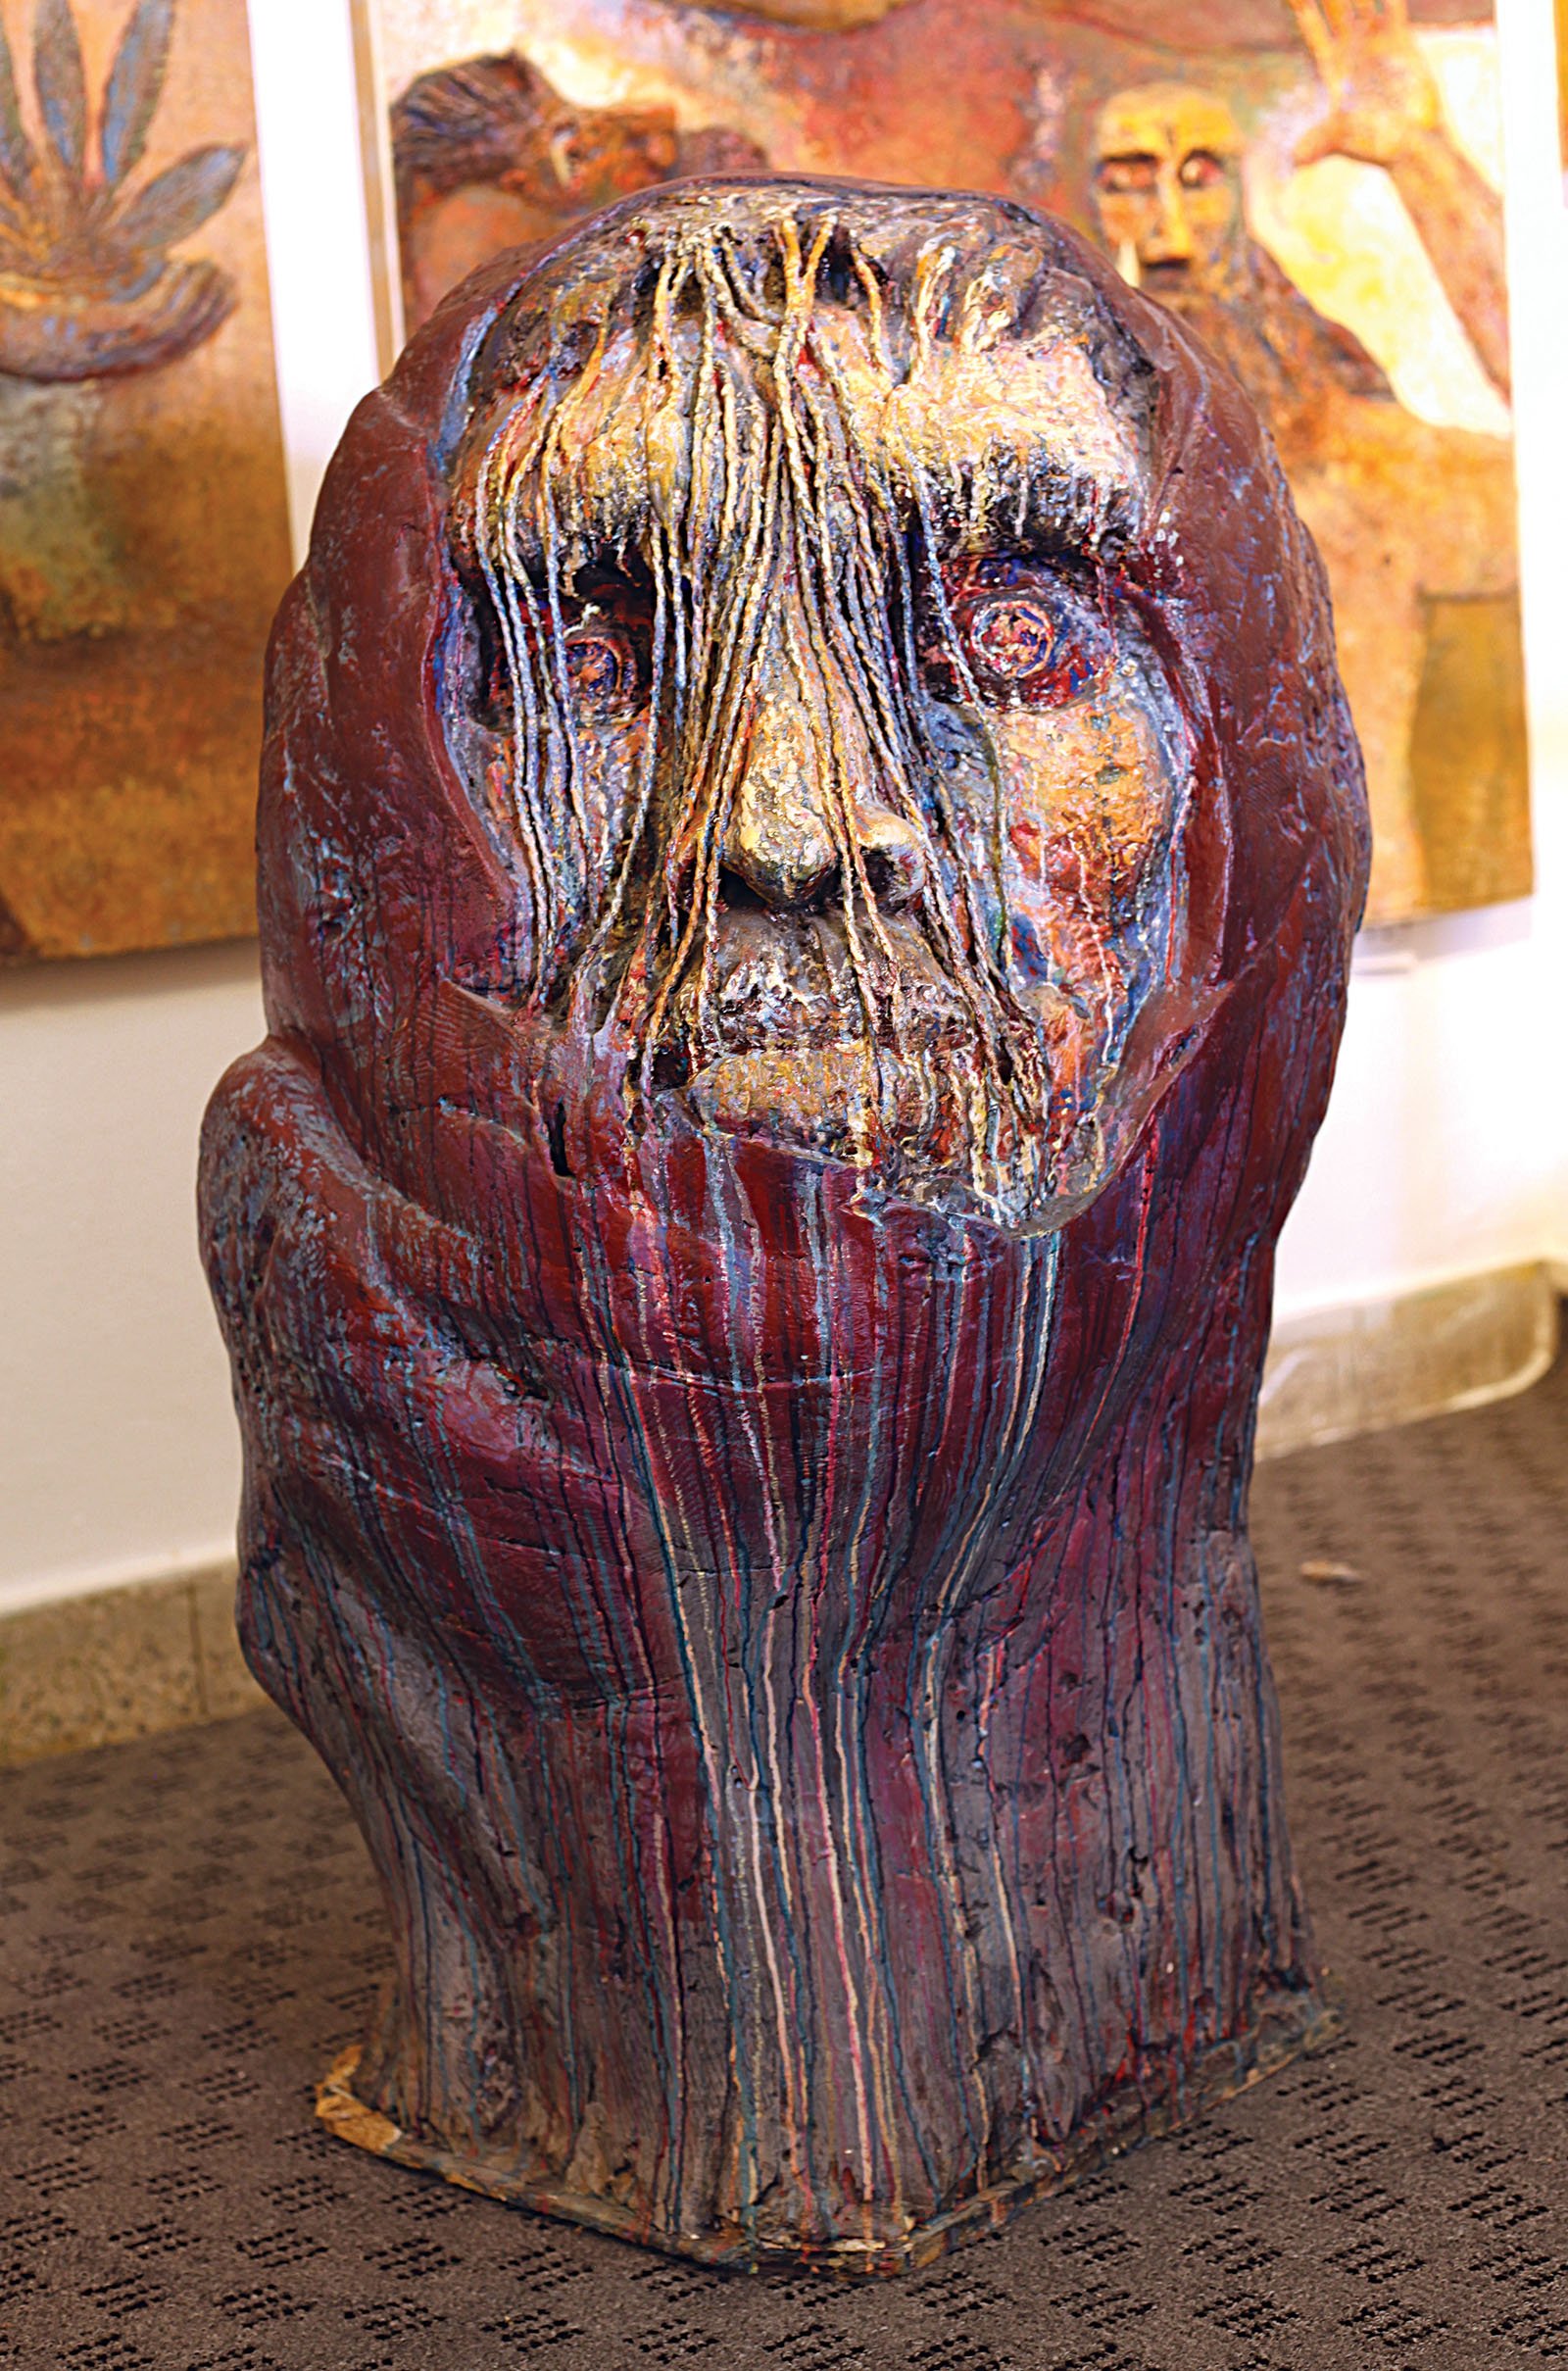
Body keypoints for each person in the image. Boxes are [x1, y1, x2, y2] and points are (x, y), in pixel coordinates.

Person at [1091, 0, 1521, 921]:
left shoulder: (1362, 469)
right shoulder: (1049, 511)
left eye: (1201, 179)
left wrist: (1421, 160)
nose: (1168, 234)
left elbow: (1549, 429)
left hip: (1382, 961)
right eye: (1128, 183)